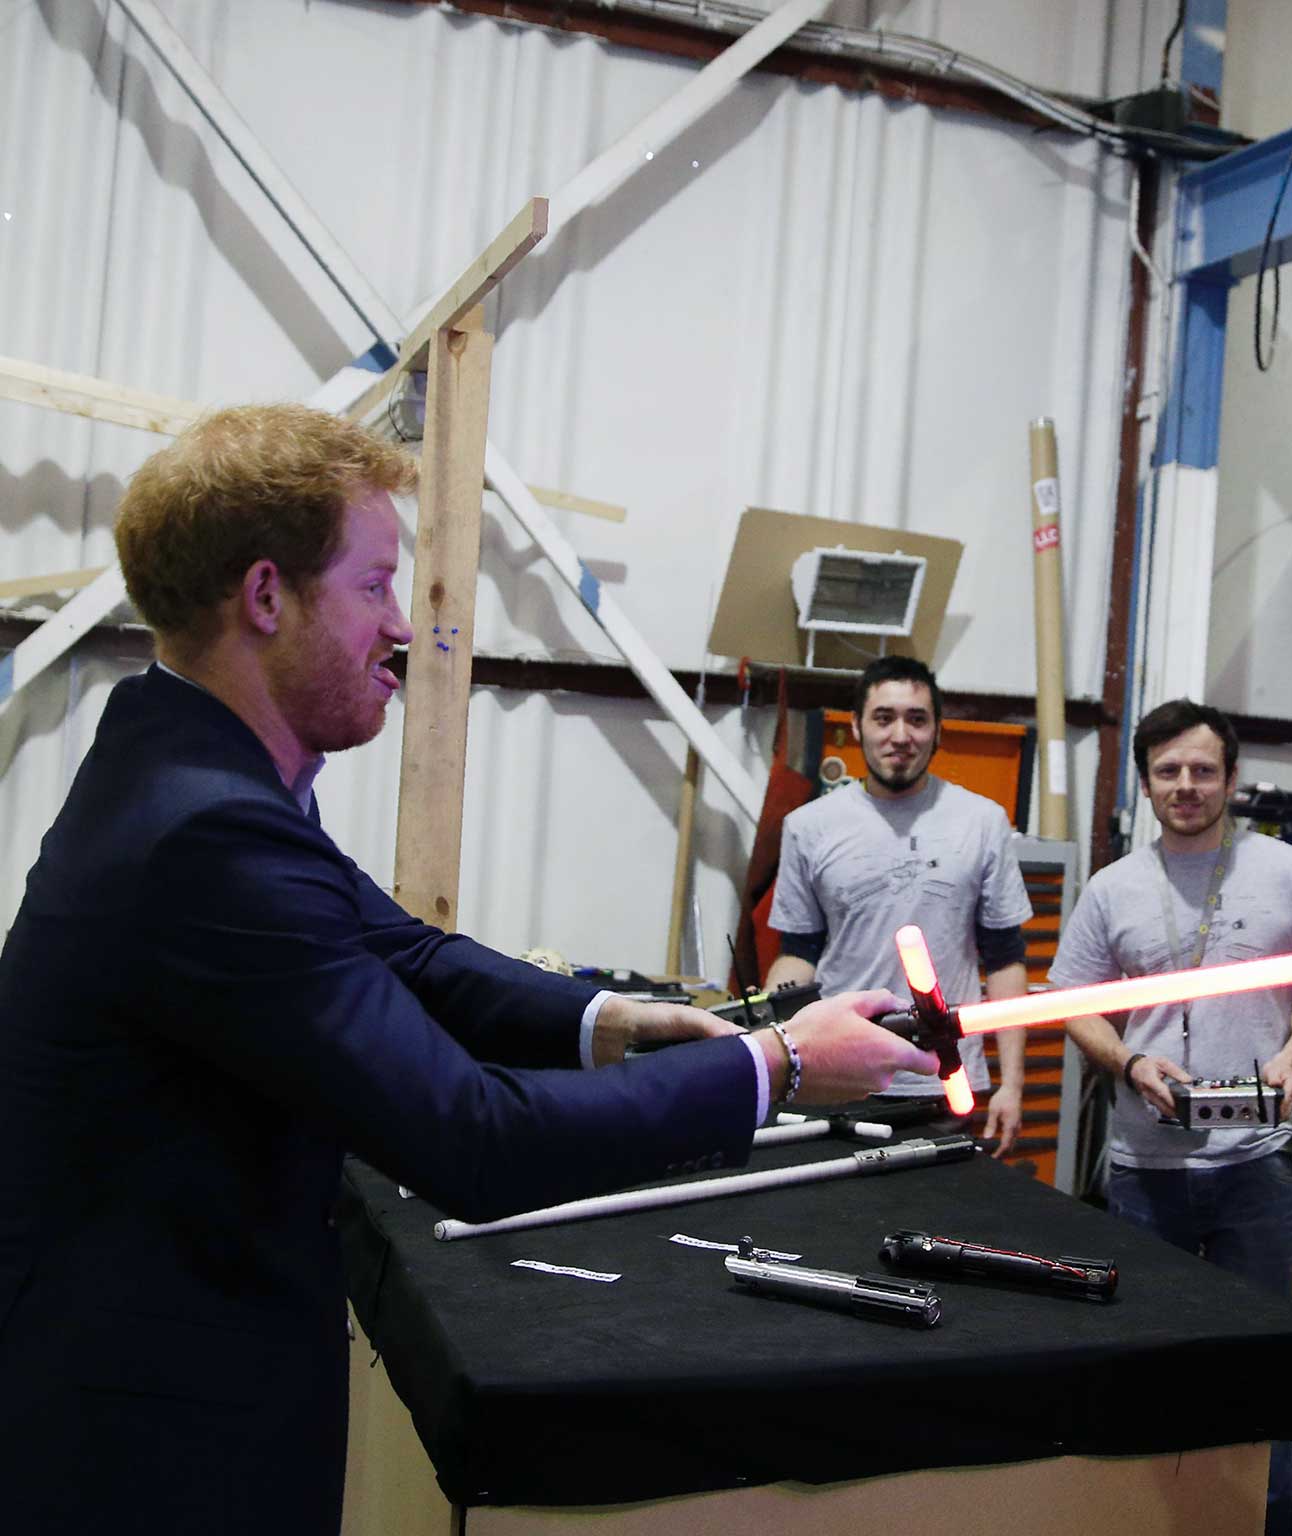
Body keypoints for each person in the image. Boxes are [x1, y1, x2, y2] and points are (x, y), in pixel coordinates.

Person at [0, 405, 935, 1536]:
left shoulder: (178, 760)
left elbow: (403, 949)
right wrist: (775, 1068)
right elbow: (473, 1140)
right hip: (151, 1447)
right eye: (374, 586)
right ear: (264, 597)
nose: (401, 626)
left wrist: (626, 1022)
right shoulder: (208, 832)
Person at [1050, 699, 1292, 1536]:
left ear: (1232, 777)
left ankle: (1263, 1519)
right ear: (1145, 782)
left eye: (1203, 770)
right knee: (1152, 1363)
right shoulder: (1113, 888)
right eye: (1169, 771)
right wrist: (1131, 1062)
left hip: (1257, 1166)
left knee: (1261, 1368)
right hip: (1146, 1170)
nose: (1187, 785)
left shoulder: (1290, 874)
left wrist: (1289, 1059)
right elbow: (1072, 1002)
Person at [766, 655, 1032, 1151]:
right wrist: (772, 1047)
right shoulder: (808, 827)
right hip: (839, 1072)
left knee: (945, 1224)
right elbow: (798, 950)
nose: (900, 735)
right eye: (884, 718)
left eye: (917, 719)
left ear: (937, 732)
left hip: (945, 1079)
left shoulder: (982, 822)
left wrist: (1012, 1084)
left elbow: (1004, 959)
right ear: (858, 727)